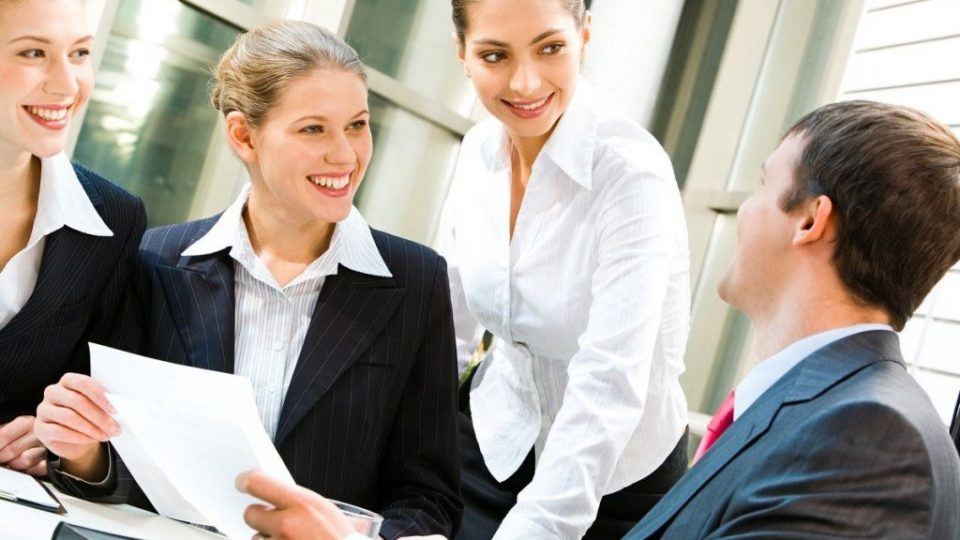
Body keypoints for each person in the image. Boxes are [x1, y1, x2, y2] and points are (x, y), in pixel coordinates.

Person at [34, 21, 461, 539]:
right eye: (313, 129)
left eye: (356, 125)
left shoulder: (416, 282)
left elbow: (429, 498)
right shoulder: (154, 260)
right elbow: (122, 468)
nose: (345, 155)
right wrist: (81, 450)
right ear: (243, 135)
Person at [624, 101, 960, 539]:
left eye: (763, 184)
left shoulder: (865, 436)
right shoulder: (822, 409)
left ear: (809, 220)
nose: (745, 209)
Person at [438, 0, 691, 538]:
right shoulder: (478, 151)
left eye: (550, 48)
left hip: (617, 478)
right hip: (496, 436)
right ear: (462, 54)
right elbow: (449, 320)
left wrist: (538, 527)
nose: (525, 83)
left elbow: (610, 380)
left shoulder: (631, 175)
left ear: (585, 37)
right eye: (494, 55)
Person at [0, 0, 145, 477]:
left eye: (79, 53)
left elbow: (105, 431)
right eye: (33, 54)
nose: (67, 85)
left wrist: (55, 441)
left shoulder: (113, 221)